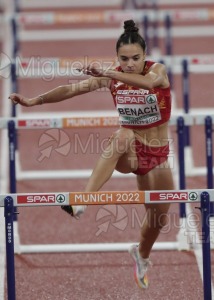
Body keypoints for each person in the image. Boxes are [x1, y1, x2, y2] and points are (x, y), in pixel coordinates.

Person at [9, 19, 174, 290]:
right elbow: (70, 90)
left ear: (145, 55)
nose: (130, 63)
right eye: (124, 59)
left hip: (158, 156)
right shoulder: (112, 76)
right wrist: (33, 101)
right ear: (117, 57)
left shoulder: (158, 71)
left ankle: (141, 254)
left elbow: (148, 83)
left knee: (158, 218)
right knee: (122, 135)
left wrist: (111, 74)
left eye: (135, 58)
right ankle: (83, 200)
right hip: (130, 150)